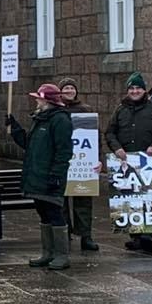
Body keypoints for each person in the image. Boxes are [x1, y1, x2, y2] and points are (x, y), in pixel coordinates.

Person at [8, 84, 74, 270]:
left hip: (51, 177)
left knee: (55, 213)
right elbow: (29, 144)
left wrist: (56, 175)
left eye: (39, 97)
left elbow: (64, 152)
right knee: (43, 213)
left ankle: (61, 255)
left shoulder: (60, 120)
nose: (36, 100)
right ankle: (48, 253)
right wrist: (15, 128)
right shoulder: (40, 119)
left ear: (47, 100)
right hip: (37, 177)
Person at [105, 73, 152, 253]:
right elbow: (110, 133)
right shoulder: (120, 110)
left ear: (144, 90)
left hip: (150, 162)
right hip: (127, 161)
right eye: (132, 89)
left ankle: (150, 236)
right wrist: (117, 148)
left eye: (138, 88)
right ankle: (136, 237)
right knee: (130, 200)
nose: (135, 91)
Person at [58, 78, 99, 251]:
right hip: (62, 162)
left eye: (72, 88)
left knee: (83, 200)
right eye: (65, 88)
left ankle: (85, 236)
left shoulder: (86, 110)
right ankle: (64, 234)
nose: (69, 91)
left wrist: (97, 158)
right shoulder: (56, 110)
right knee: (61, 202)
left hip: (83, 162)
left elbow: (95, 137)